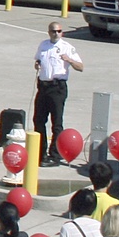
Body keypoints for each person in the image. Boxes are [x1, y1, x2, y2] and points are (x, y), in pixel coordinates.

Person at [32, 21, 86, 165]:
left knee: (56, 123)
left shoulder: (67, 47)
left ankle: (55, 155)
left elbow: (80, 67)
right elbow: (37, 59)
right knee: (38, 120)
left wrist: (69, 60)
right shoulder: (43, 45)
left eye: (59, 31)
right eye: (53, 31)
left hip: (57, 87)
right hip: (43, 86)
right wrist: (37, 64)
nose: (56, 34)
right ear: (49, 32)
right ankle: (40, 152)